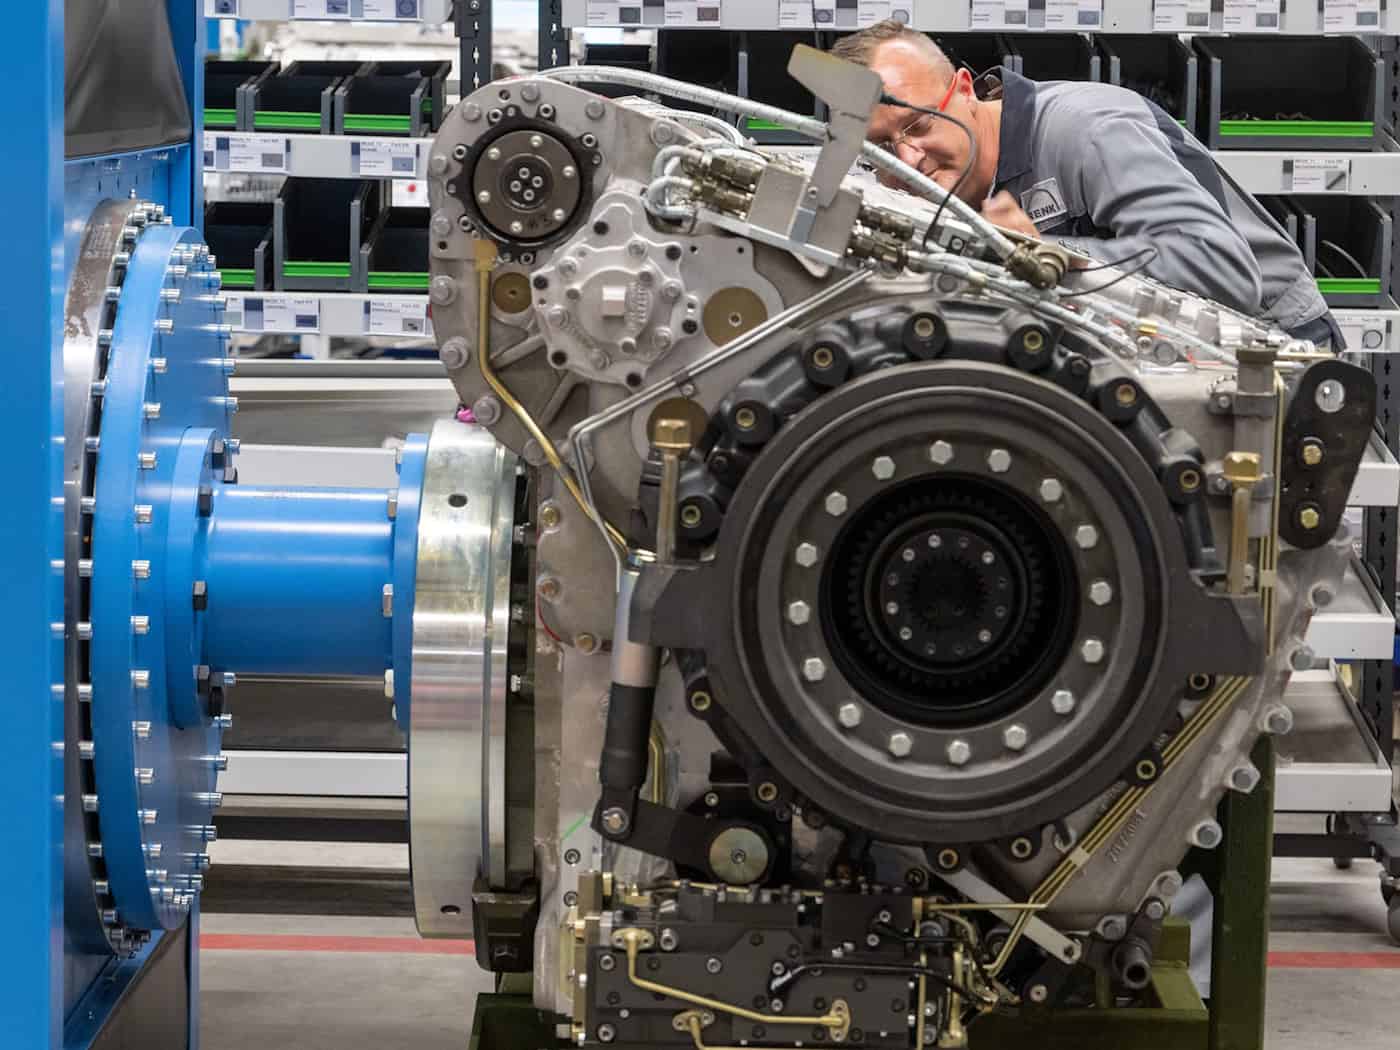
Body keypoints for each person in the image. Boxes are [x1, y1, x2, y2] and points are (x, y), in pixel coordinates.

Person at [831, 21, 1342, 347]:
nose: (907, 160)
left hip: (1274, 344)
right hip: (1156, 340)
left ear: (964, 89)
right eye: (879, 149)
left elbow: (1224, 271)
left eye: (919, 126)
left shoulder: (1089, 131)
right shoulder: (907, 175)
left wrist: (1042, 253)